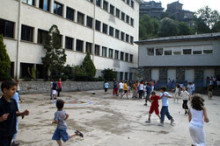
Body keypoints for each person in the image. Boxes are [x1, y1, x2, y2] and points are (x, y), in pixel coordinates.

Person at [0, 80, 29, 146]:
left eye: (15, 89)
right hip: (2, 133)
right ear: (5, 90)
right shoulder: (1, 103)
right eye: (12, 89)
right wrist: (1, 119)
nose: (15, 91)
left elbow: (14, 114)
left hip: (11, 131)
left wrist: (22, 113)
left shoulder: (13, 101)